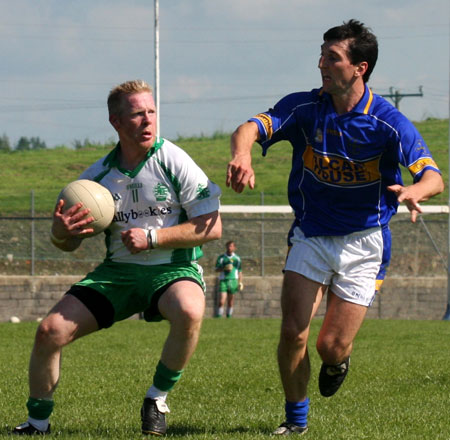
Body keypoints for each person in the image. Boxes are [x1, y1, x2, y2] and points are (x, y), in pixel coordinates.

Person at [226, 20, 444, 436]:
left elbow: (433, 175)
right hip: (311, 234)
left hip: (365, 242)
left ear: (359, 68)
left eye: (332, 58)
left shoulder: (388, 123)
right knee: (293, 333)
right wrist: (243, 155)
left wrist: (417, 189)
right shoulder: (304, 108)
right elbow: (249, 128)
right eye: (322, 55)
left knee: (330, 345)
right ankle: (296, 420)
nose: (321, 64)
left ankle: (339, 360)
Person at [12, 79, 222, 436]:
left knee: (189, 310)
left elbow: (212, 226)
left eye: (151, 112)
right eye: (137, 114)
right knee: (49, 332)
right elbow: (66, 245)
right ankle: (37, 422)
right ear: (116, 122)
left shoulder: (173, 159)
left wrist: (153, 238)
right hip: (117, 274)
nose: (147, 121)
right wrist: (62, 232)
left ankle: (156, 398)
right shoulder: (94, 180)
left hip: (173, 269)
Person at [214, 240, 243, 318]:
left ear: (234, 248)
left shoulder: (237, 259)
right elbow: (216, 269)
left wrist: (240, 282)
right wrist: (224, 268)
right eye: (228, 246)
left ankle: (228, 317)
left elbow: (240, 271)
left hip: (233, 280)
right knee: (221, 301)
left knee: (230, 301)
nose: (229, 248)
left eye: (231, 246)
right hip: (224, 280)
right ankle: (218, 317)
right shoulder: (222, 258)